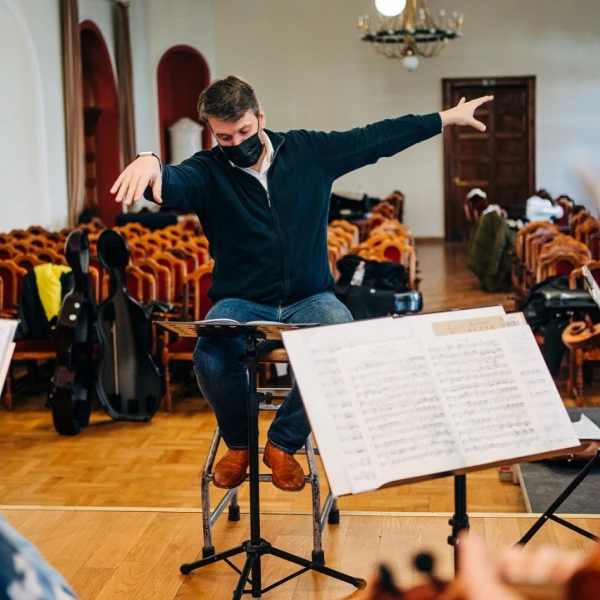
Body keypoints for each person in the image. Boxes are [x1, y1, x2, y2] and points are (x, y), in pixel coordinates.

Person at [110, 75, 493, 492]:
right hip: (242, 300)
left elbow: (375, 138)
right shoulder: (207, 171)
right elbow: (170, 182)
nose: (237, 143)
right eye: (225, 137)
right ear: (212, 133)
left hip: (311, 296)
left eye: (244, 131)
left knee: (343, 343)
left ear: (260, 117)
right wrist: (149, 160)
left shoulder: (308, 152)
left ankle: (282, 443)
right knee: (210, 356)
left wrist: (445, 118)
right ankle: (239, 443)